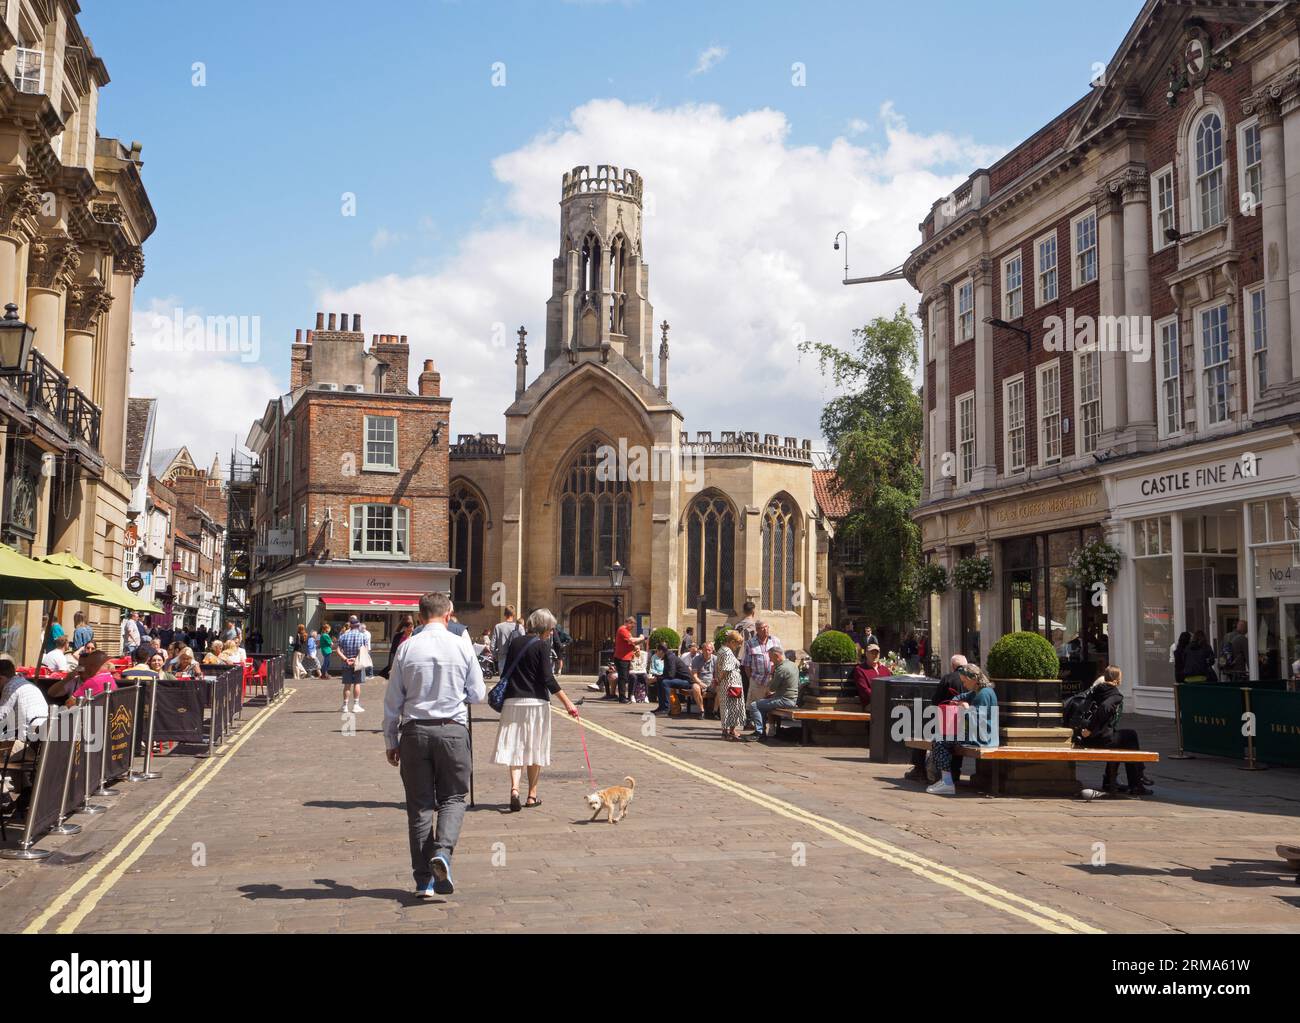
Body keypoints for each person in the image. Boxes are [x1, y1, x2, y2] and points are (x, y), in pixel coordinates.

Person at [383, 591, 486, 898]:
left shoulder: (407, 647)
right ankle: (442, 852)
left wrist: (391, 739)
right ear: (448, 613)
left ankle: (424, 881)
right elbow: (478, 693)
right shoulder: (461, 645)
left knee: (419, 807)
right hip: (452, 731)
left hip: (414, 733)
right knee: (454, 797)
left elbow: (392, 702)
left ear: (420, 613)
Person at [492, 608, 581, 812]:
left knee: (515, 747)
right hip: (536, 703)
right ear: (542, 627)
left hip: (513, 701)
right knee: (535, 748)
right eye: (550, 629)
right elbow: (548, 679)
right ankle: (532, 795)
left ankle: (514, 789)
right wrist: (568, 703)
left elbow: (505, 672)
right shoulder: (542, 645)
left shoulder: (515, 643)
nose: (551, 632)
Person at [1077, 667, 1152, 799]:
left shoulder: (1097, 689)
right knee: (1130, 737)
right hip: (1099, 738)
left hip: (1086, 737)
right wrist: (1090, 729)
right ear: (1117, 679)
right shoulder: (1114, 695)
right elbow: (1104, 708)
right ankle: (1136, 782)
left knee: (1124, 740)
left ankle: (1115, 781)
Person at [927, 664, 998, 796]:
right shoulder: (978, 691)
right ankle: (945, 780)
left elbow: (977, 720)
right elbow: (963, 696)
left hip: (981, 737)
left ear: (973, 679)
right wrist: (956, 700)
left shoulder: (983, 694)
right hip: (979, 735)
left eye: (965, 681)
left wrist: (966, 709)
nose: (964, 685)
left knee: (940, 741)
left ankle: (947, 782)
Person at [905, 655, 967, 782]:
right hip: (965, 726)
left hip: (949, 722)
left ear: (953, 666)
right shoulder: (971, 680)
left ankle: (919, 769)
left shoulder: (948, 678)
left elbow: (936, 702)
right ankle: (955, 771)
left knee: (923, 731)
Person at [747, 647, 800, 741]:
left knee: (754, 705)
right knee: (761, 705)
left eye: (771, 658)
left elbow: (772, 688)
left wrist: (772, 673)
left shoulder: (781, 669)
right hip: (792, 698)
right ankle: (761, 731)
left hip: (785, 700)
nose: (770, 661)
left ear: (777, 656)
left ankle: (759, 733)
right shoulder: (793, 665)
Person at [0, 658, 48, 750]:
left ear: (1, 678)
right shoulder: (24, 683)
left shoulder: (10, 686)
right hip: (41, 732)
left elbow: (1, 715)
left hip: (27, 739)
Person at [653, 643, 705, 719]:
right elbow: (667, 674)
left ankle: (666, 709)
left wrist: (660, 678)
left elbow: (671, 675)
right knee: (660, 681)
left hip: (687, 681)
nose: (656, 653)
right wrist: (658, 678)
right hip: (680, 680)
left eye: (656, 651)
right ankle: (661, 707)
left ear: (661, 651)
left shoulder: (670, 658)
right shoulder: (667, 657)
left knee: (665, 682)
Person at [50, 650, 117, 706]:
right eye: (80, 665)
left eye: (85, 665)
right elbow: (52, 694)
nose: (82, 668)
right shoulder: (74, 680)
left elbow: (69, 704)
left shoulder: (95, 681)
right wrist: (67, 679)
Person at [742, 620, 782, 711]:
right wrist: (751, 679)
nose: (765, 630)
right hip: (757, 681)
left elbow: (781, 659)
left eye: (766, 627)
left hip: (772, 680)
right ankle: (756, 725)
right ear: (757, 630)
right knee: (754, 707)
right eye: (762, 628)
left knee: (771, 707)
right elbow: (746, 664)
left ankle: (771, 725)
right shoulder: (750, 643)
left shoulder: (776, 641)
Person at [715, 631, 746, 741]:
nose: (738, 646)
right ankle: (730, 731)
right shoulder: (728, 652)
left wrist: (718, 679)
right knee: (733, 707)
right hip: (731, 684)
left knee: (725, 707)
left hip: (727, 684)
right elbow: (726, 669)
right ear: (732, 642)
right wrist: (719, 679)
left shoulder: (722, 650)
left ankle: (726, 731)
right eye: (738, 643)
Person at [336, 616, 369, 713]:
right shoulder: (363, 636)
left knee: (347, 685)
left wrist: (346, 659)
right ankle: (355, 705)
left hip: (346, 664)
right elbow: (364, 649)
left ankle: (345, 706)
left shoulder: (343, 636)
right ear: (358, 625)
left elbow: (337, 650)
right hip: (358, 664)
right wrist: (356, 659)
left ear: (350, 625)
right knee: (357, 684)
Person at [612, 616, 644, 705]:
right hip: (622, 658)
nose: (632, 628)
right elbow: (631, 640)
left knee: (625, 677)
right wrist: (641, 638)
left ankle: (626, 696)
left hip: (626, 658)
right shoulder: (623, 630)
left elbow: (631, 643)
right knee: (623, 678)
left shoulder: (627, 631)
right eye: (632, 626)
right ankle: (622, 698)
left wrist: (635, 646)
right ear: (628, 623)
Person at [852, 643, 892, 708]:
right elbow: (864, 691)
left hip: (886, 702)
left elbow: (891, 687)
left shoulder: (885, 670)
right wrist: (882, 699)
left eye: (877, 653)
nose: (875, 655)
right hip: (871, 704)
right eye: (872, 653)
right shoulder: (860, 670)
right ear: (866, 654)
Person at [490, 607, 524, 678]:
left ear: (504, 614)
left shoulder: (498, 627)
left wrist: (497, 657)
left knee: (503, 682)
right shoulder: (519, 627)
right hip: (516, 658)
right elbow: (524, 644)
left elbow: (492, 646)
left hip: (502, 658)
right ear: (514, 614)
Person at [692, 642, 716, 717]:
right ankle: (702, 711)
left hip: (712, 683)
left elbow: (717, 674)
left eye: (709, 650)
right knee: (695, 687)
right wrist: (700, 683)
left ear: (712, 650)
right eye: (705, 650)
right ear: (702, 650)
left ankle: (715, 711)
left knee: (721, 688)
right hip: (700, 682)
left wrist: (715, 681)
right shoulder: (696, 659)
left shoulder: (716, 659)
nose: (707, 652)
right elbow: (694, 675)